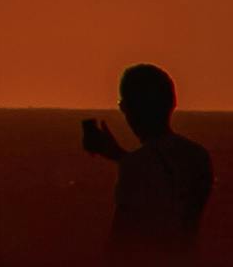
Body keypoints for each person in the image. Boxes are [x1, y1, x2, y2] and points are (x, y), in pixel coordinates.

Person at [83, 63, 212, 251]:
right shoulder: (198, 156)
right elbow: (167, 180)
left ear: (130, 109)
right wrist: (120, 157)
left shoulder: (136, 167)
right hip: (186, 265)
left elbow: (122, 235)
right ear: (171, 103)